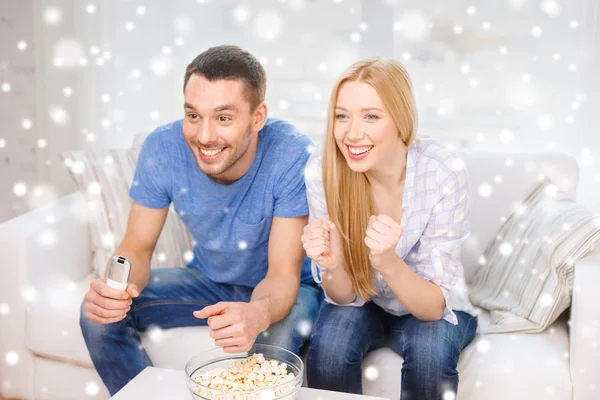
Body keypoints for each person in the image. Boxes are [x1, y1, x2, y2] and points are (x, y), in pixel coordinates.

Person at [80, 45, 321, 395]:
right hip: (208, 280)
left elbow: (281, 274)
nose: (204, 136)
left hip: (289, 289)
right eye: (193, 116)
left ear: (257, 117)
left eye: (223, 118)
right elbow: (137, 247)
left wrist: (256, 314)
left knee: (274, 346)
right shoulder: (162, 148)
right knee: (97, 317)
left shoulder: (292, 154)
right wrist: (114, 290)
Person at [302, 57, 478, 400]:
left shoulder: (441, 170)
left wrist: (386, 260)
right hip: (364, 302)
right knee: (330, 350)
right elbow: (342, 296)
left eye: (371, 116)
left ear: (400, 120)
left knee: (430, 356)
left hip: (428, 303)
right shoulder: (323, 169)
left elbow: (432, 309)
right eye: (342, 116)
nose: (351, 133)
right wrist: (333, 263)